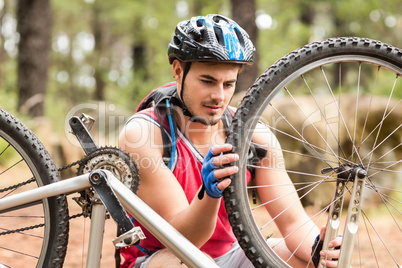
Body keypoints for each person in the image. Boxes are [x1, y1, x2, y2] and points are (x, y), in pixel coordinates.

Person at [119, 14, 341, 268]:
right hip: (164, 257)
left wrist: (319, 247)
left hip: (231, 254)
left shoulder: (254, 135)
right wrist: (210, 194)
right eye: (207, 81)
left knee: (309, 261)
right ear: (178, 71)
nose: (219, 96)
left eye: (229, 84)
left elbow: (292, 222)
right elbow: (182, 241)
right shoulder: (144, 134)